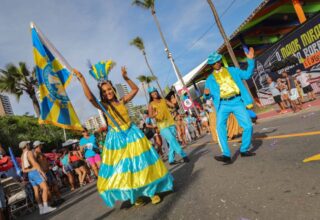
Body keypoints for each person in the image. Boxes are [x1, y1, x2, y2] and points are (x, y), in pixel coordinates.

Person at [74, 63, 173, 207]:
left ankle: (151, 192)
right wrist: (82, 79)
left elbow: (135, 89)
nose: (108, 92)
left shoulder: (122, 101)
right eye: (105, 91)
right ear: (102, 94)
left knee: (142, 164)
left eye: (109, 89)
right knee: (127, 169)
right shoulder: (105, 106)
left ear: (113, 89)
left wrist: (126, 77)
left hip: (133, 135)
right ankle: (136, 194)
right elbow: (90, 98)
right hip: (117, 140)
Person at [204, 48, 256, 164]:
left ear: (220, 61)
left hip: (237, 101)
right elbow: (207, 97)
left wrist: (250, 61)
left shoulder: (232, 70)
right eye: (213, 63)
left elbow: (247, 75)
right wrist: (207, 96)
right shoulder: (209, 79)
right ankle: (226, 154)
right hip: (222, 104)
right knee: (220, 128)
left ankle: (244, 149)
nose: (216, 64)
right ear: (211, 65)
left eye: (218, 61)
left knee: (248, 126)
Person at [148, 87, 190, 165]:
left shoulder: (164, 100)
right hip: (162, 125)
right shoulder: (151, 104)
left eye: (155, 92)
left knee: (171, 141)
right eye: (153, 93)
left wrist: (174, 101)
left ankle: (171, 160)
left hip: (170, 123)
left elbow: (173, 106)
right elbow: (150, 115)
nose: (155, 93)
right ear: (150, 95)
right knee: (171, 138)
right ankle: (183, 155)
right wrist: (154, 114)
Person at [20, 141, 56, 215]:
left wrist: (31, 170)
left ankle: (41, 209)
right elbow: (35, 163)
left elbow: (23, 170)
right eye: (28, 144)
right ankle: (46, 207)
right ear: (26, 145)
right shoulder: (29, 152)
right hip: (36, 172)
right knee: (45, 188)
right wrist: (42, 172)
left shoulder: (22, 155)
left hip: (30, 174)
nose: (29, 145)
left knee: (36, 190)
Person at [33, 141, 64, 206]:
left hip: (48, 171)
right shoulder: (35, 154)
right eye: (41, 145)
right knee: (47, 188)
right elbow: (35, 164)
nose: (42, 146)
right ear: (38, 145)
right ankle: (52, 202)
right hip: (43, 173)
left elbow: (44, 161)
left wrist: (49, 164)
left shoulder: (40, 153)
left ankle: (59, 198)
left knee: (54, 184)